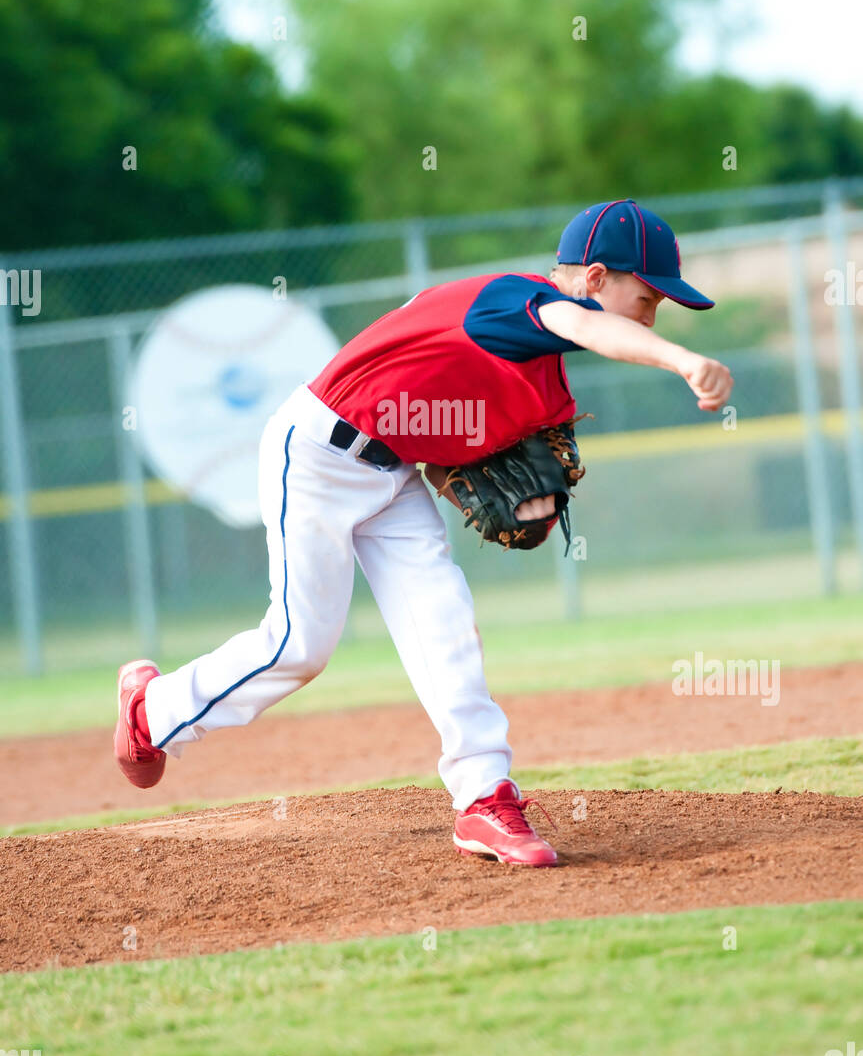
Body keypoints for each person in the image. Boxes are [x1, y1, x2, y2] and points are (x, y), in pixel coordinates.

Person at [114, 198, 733, 867]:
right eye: (645, 298)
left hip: (392, 470)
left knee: (444, 620)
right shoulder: (516, 302)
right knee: (299, 644)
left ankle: (482, 799)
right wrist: (679, 360)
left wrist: (513, 505)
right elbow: (592, 330)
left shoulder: (542, 383)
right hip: (316, 454)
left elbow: (444, 435)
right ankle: (154, 712)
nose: (650, 315)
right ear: (593, 278)